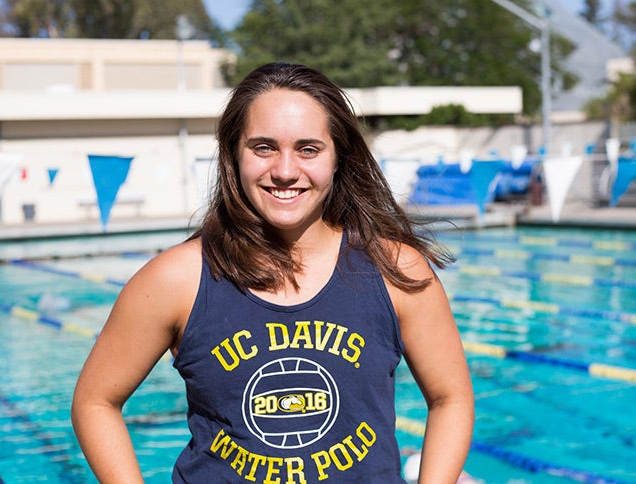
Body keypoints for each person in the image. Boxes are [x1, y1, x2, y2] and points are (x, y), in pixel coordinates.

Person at [71, 62, 474, 483]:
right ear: (233, 154)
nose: (284, 170)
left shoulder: (394, 271)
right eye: (263, 147)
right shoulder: (177, 280)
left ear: (338, 158)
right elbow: (95, 401)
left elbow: (451, 398)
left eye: (308, 149)